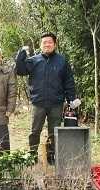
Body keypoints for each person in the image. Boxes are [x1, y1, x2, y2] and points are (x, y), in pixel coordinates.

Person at [15, 32, 79, 160]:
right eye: (44, 42)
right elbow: (20, 70)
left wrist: (71, 99)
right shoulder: (34, 60)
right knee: (34, 131)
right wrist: (21, 54)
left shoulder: (62, 61)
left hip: (56, 103)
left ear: (54, 44)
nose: (47, 44)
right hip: (38, 103)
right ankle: (32, 155)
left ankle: (51, 156)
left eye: (50, 42)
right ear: (40, 45)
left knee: (54, 132)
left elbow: (69, 81)